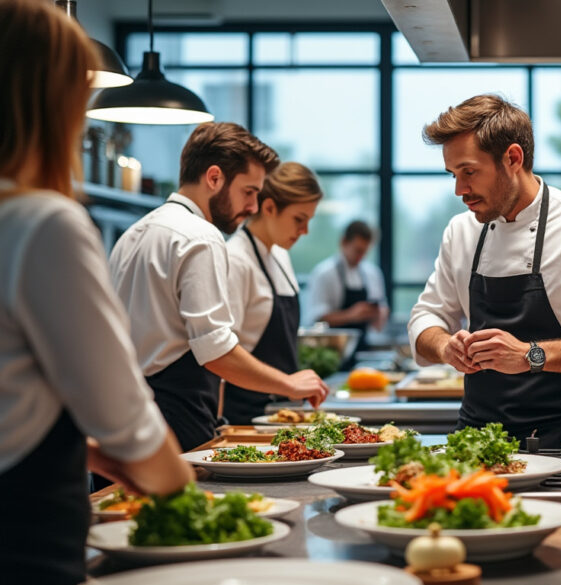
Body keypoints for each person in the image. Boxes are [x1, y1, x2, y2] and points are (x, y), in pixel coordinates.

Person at [0, 1, 193, 582]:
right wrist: (175, 480)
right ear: (52, 102)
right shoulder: (41, 222)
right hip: (25, 538)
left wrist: (88, 451)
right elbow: (124, 415)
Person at [408, 94, 561, 456]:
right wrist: (444, 346)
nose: (459, 190)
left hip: (559, 442)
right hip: (473, 438)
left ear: (513, 158)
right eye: (453, 175)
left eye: (469, 172)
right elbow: (426, 315)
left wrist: (530, 355)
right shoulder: (461, 231)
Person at [109, 123, 329, 451]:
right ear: (214, 178)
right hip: (175, 421)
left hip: (124, 419)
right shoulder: (201, 236)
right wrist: (288, 384)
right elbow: (216, 350)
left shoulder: (132, 234)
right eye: (249, 192)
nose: (253, 207)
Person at [223, 162, 323, 424]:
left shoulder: (280, 255)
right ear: (268, 208)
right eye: (299, 219)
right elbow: (222, 353)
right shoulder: (236, 259)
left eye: (309, 221)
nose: (305, 231)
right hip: (245, 418)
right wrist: (287, 383)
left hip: (281, 414)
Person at [305, 220, 390, 367]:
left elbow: (380, 316)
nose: (361, 256)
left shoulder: (372, 273)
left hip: (363, 350)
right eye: (358, 250)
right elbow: (316, 319)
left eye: (365, 252)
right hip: (330, 354)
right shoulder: (324, 273)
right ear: (344, 242)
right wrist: (351, 315)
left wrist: (379, 314)